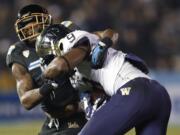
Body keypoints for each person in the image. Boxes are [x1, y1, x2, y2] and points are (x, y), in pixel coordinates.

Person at [36, 24, 172, 135]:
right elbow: (86, 102)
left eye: (47, 57)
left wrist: (44, 78)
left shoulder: (71, 42)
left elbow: (59, 64)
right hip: (158, 95)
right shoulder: (80, 74)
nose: (47, 62)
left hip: (134, 90)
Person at [6, 4, 87, 135]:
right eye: (24, 25)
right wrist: (47, 87)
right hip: (53, 121)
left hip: (80, 113)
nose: (28, 27)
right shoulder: (18, 52)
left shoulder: (63, 32)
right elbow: (26, 101)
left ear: (46, 20)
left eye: (33, 22)